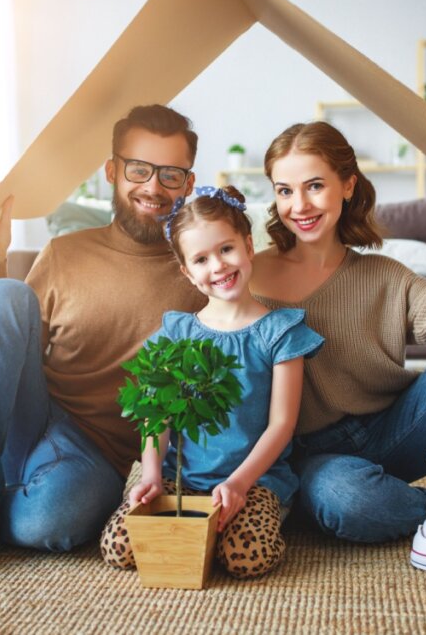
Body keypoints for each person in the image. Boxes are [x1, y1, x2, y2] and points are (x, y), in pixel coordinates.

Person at [0, 105, 209, 586]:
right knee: (6, 292)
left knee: (50, 527)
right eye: (139, 169)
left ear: (188, 184)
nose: (153, 187)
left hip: (98, 453)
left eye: (171, 174)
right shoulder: (65, 252)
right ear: (112, 171)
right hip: (32, 417)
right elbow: (5, 342)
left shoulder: (201, 270)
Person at [249, 121, 426, 587]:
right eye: (284, 190)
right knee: (347, 504)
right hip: (312, 454)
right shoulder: (248, 276)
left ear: (347, 186)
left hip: (393, 430)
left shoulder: (383, 274)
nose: (298, 205)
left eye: (314, 186)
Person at [99, 185, 323, 579]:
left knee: (244, 559)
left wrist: (238, 485)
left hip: (253, 479)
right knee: (119, 548)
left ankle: (271, 513)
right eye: (201, 259)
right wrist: (151, 474)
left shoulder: (280, 332)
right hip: (178, 477)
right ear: (187, 272)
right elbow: (156, 416)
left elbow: (282, 424)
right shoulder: (175, 333)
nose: (218, 266)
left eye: (226, 249)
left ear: (248, 246)